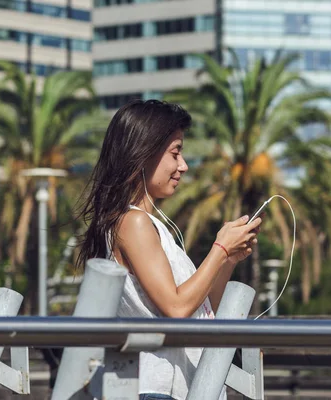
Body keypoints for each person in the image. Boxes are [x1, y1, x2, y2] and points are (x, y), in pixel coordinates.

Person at [75, 99, 262, 400]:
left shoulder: (146, 223)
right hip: (152, 388)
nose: (183, 166)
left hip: (175, 387)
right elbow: (176, 310)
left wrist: (227, 259)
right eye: (175, 152)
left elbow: (201, 309)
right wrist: (219, 249)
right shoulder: (132, 222)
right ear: (144, 152)